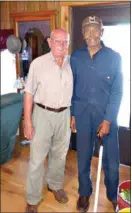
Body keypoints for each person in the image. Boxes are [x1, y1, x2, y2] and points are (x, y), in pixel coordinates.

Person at [70, 16, 123, 212]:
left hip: (106, 116)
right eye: (87, 30)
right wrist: (73, 114)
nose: (91, 34)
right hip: (83, 115)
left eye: (95, 29)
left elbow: (118, 91)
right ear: (83, 34)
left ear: (102, 32)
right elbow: (72, 88)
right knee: (83, 156)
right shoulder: (75, 58)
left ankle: (112, 194)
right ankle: (84, 193)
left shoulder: (114, 57)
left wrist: (108, 119)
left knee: (111, 160)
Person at [24, 28, 73, 213]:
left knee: (59, 155)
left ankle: (54, 184)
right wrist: (27, 121)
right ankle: (32, 198)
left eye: (65, 41)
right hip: (42, 114)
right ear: (49, 41)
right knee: (37, 158)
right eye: (58, 41)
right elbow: (28, 94)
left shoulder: (71, 63)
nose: (62, 45)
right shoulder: (38, 64)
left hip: (64, 115)